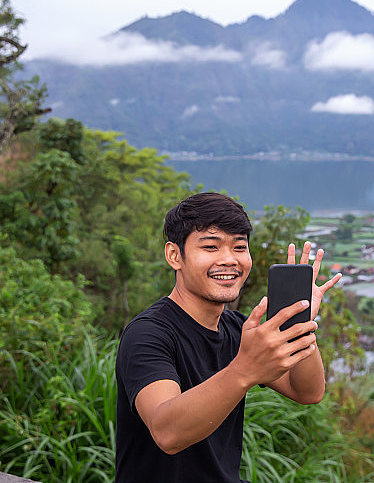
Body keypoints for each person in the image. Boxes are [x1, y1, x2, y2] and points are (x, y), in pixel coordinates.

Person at [115, 192, 341, 482]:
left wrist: (300, 321)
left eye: (239, 247)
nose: (229, 260)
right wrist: (244, 370)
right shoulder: (149, 333)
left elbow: (307, 392)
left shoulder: (237, 328)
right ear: (175, 255)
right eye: (210, 247)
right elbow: (167, 431)